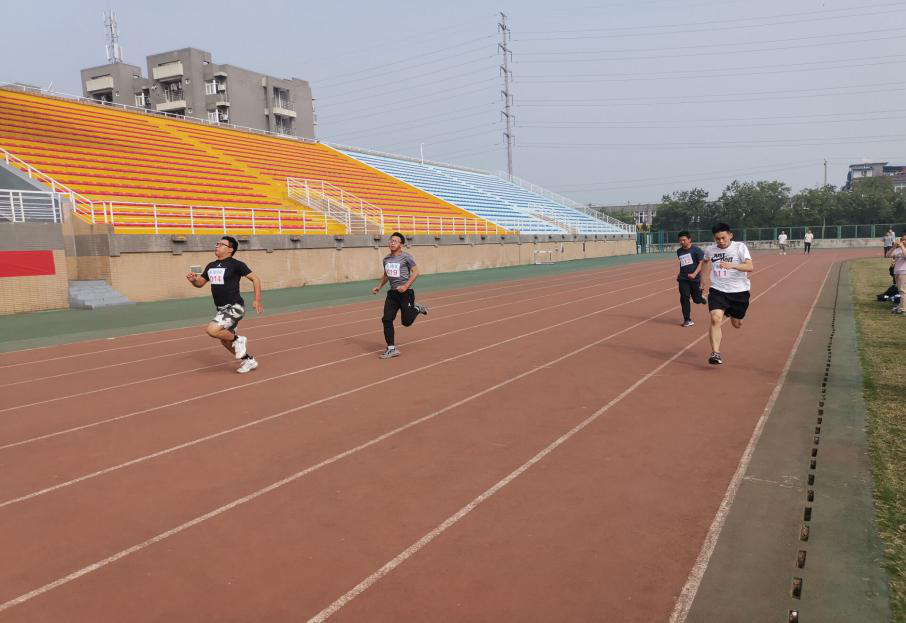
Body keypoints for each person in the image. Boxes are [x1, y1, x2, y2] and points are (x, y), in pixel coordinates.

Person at [185, 236, 263, 373]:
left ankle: (238, 339)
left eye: (221, 244)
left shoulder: (236, 264)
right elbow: (200, 283)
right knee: (225, 340)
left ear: (230, 249)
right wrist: (193, 281)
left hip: (235, 307)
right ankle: (249, 360)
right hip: (221, 309)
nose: (217, 246)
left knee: (212, 330)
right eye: (216, 243)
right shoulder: (211, 266)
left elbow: (255, 279)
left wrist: (257, 300)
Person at [701, 223, 754, 365]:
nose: (721, 241)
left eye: (723, 238)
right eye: (717, 239)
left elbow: (750, 267)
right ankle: (715, 353)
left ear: (730, 235)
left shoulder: (739, 247)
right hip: (718, 290)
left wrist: (732, 265)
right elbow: (704, 261)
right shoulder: (710, 250)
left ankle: (731, 313)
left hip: (739, 292)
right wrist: (703, 278)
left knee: (737, 324)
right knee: (715, 318)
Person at [372, 232, 428, 358]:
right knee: (386, 319)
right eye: (391, 240)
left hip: (405, 293)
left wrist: (406, 286)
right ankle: (391, 349)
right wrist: (379, 286)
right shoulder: (386, 259)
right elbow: (386, 274)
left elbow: (416, 272)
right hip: (392, 294)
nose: (392, 243)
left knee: (406, 322)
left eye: (395, 241)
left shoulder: (406, 257)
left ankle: (417, 308)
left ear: (401, 244)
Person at [676, 230, 706, 327]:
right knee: (684, 297)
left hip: (695, 278)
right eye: (680, 240)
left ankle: (700, 298)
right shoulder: (679, 251)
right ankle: (687, 319)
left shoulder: (696, 250)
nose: (682, 242)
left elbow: (701, 263)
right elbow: (683, 263)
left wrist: (694, 273)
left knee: (696, 300)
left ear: (689, 239)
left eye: (684, 240)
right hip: (683, 278)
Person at [886, 231, 906, 315]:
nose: (903, 241)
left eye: (905, 240)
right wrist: (893, 247)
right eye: (902, 239)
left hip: (904, 272)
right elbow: (887, 255)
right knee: (900, 290)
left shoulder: (903, 249)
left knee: (902, 291)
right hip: (897, 272)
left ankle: (903, 309)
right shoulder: (898, 250)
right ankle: (901, 306)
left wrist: (902, 246)